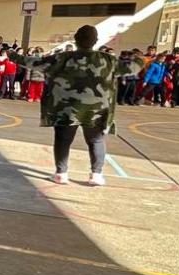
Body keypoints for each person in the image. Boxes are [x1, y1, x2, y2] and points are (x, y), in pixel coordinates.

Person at [15, 26, 132, 186]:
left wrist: (11, 55)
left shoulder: (62, 58)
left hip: (66, 109)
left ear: (75, 40)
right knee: (96, 141)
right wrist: (140, 59)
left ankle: (61, 173)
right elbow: (133, 67)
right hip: (97, 110)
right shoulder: (108, 60)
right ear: (96, 41)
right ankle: (96, 174)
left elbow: (32, 62)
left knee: (63, 140)